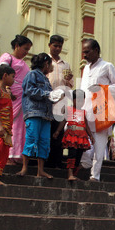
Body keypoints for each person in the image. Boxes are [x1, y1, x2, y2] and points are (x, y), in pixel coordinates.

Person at [79, 39, 115, 182]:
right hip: (85, 109)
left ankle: (94, 176)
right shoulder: (85, 68)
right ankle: (83, 167)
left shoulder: (107, 66)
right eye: (83, 52)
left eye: (87, 51)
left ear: (96, 50)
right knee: (83, 141)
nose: (84, 55)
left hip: (101, 110)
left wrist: (103, 88)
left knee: (99, 145)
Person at [17, 53, 60, 179]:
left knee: (44, 142)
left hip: (46, 115)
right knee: (31, 138)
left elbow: (47, 96)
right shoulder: (32, 74)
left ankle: (40, 170)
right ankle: (24, 168)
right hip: (34, 112)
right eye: (50, 65)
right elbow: (29, 91)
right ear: (46, 64)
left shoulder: (46, 79)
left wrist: (54, 97)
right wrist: (48, 94)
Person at [0, 35, 33, 164]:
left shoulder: (24, 64)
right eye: (25, 48)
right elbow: (2, 71)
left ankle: (16, 154)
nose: (26, 52)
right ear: (17, 46)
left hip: (23, 98)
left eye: (28, 50)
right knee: (9, 125)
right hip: (10, 96)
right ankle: (6, 154)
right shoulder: (7, 57)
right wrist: (7, 88)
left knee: (20, 127)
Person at [54, 89, 94, 180]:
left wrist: (91, 136)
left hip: (81, 136)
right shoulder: (69, 110)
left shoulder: (83, 112)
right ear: (73, 100)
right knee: (72, 154)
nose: (80, 102)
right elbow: (63, 121)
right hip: (72, 136)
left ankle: (75, 173)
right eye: (78, 100)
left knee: (78, 156)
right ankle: (70, 174)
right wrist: (57, 131)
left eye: (82, 100)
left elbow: (86, 125)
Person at [46, 35, 74, 169]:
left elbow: (70, 86)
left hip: (61, 102)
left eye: (59, 46)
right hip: (46, 100)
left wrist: (69, 79)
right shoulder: (45, 61)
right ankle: (45, 160)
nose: (57, 48)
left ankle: (57, 161)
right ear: (49, 45)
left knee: (59, 131)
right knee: (46, 130)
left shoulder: (65, 64)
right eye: (55, 45)